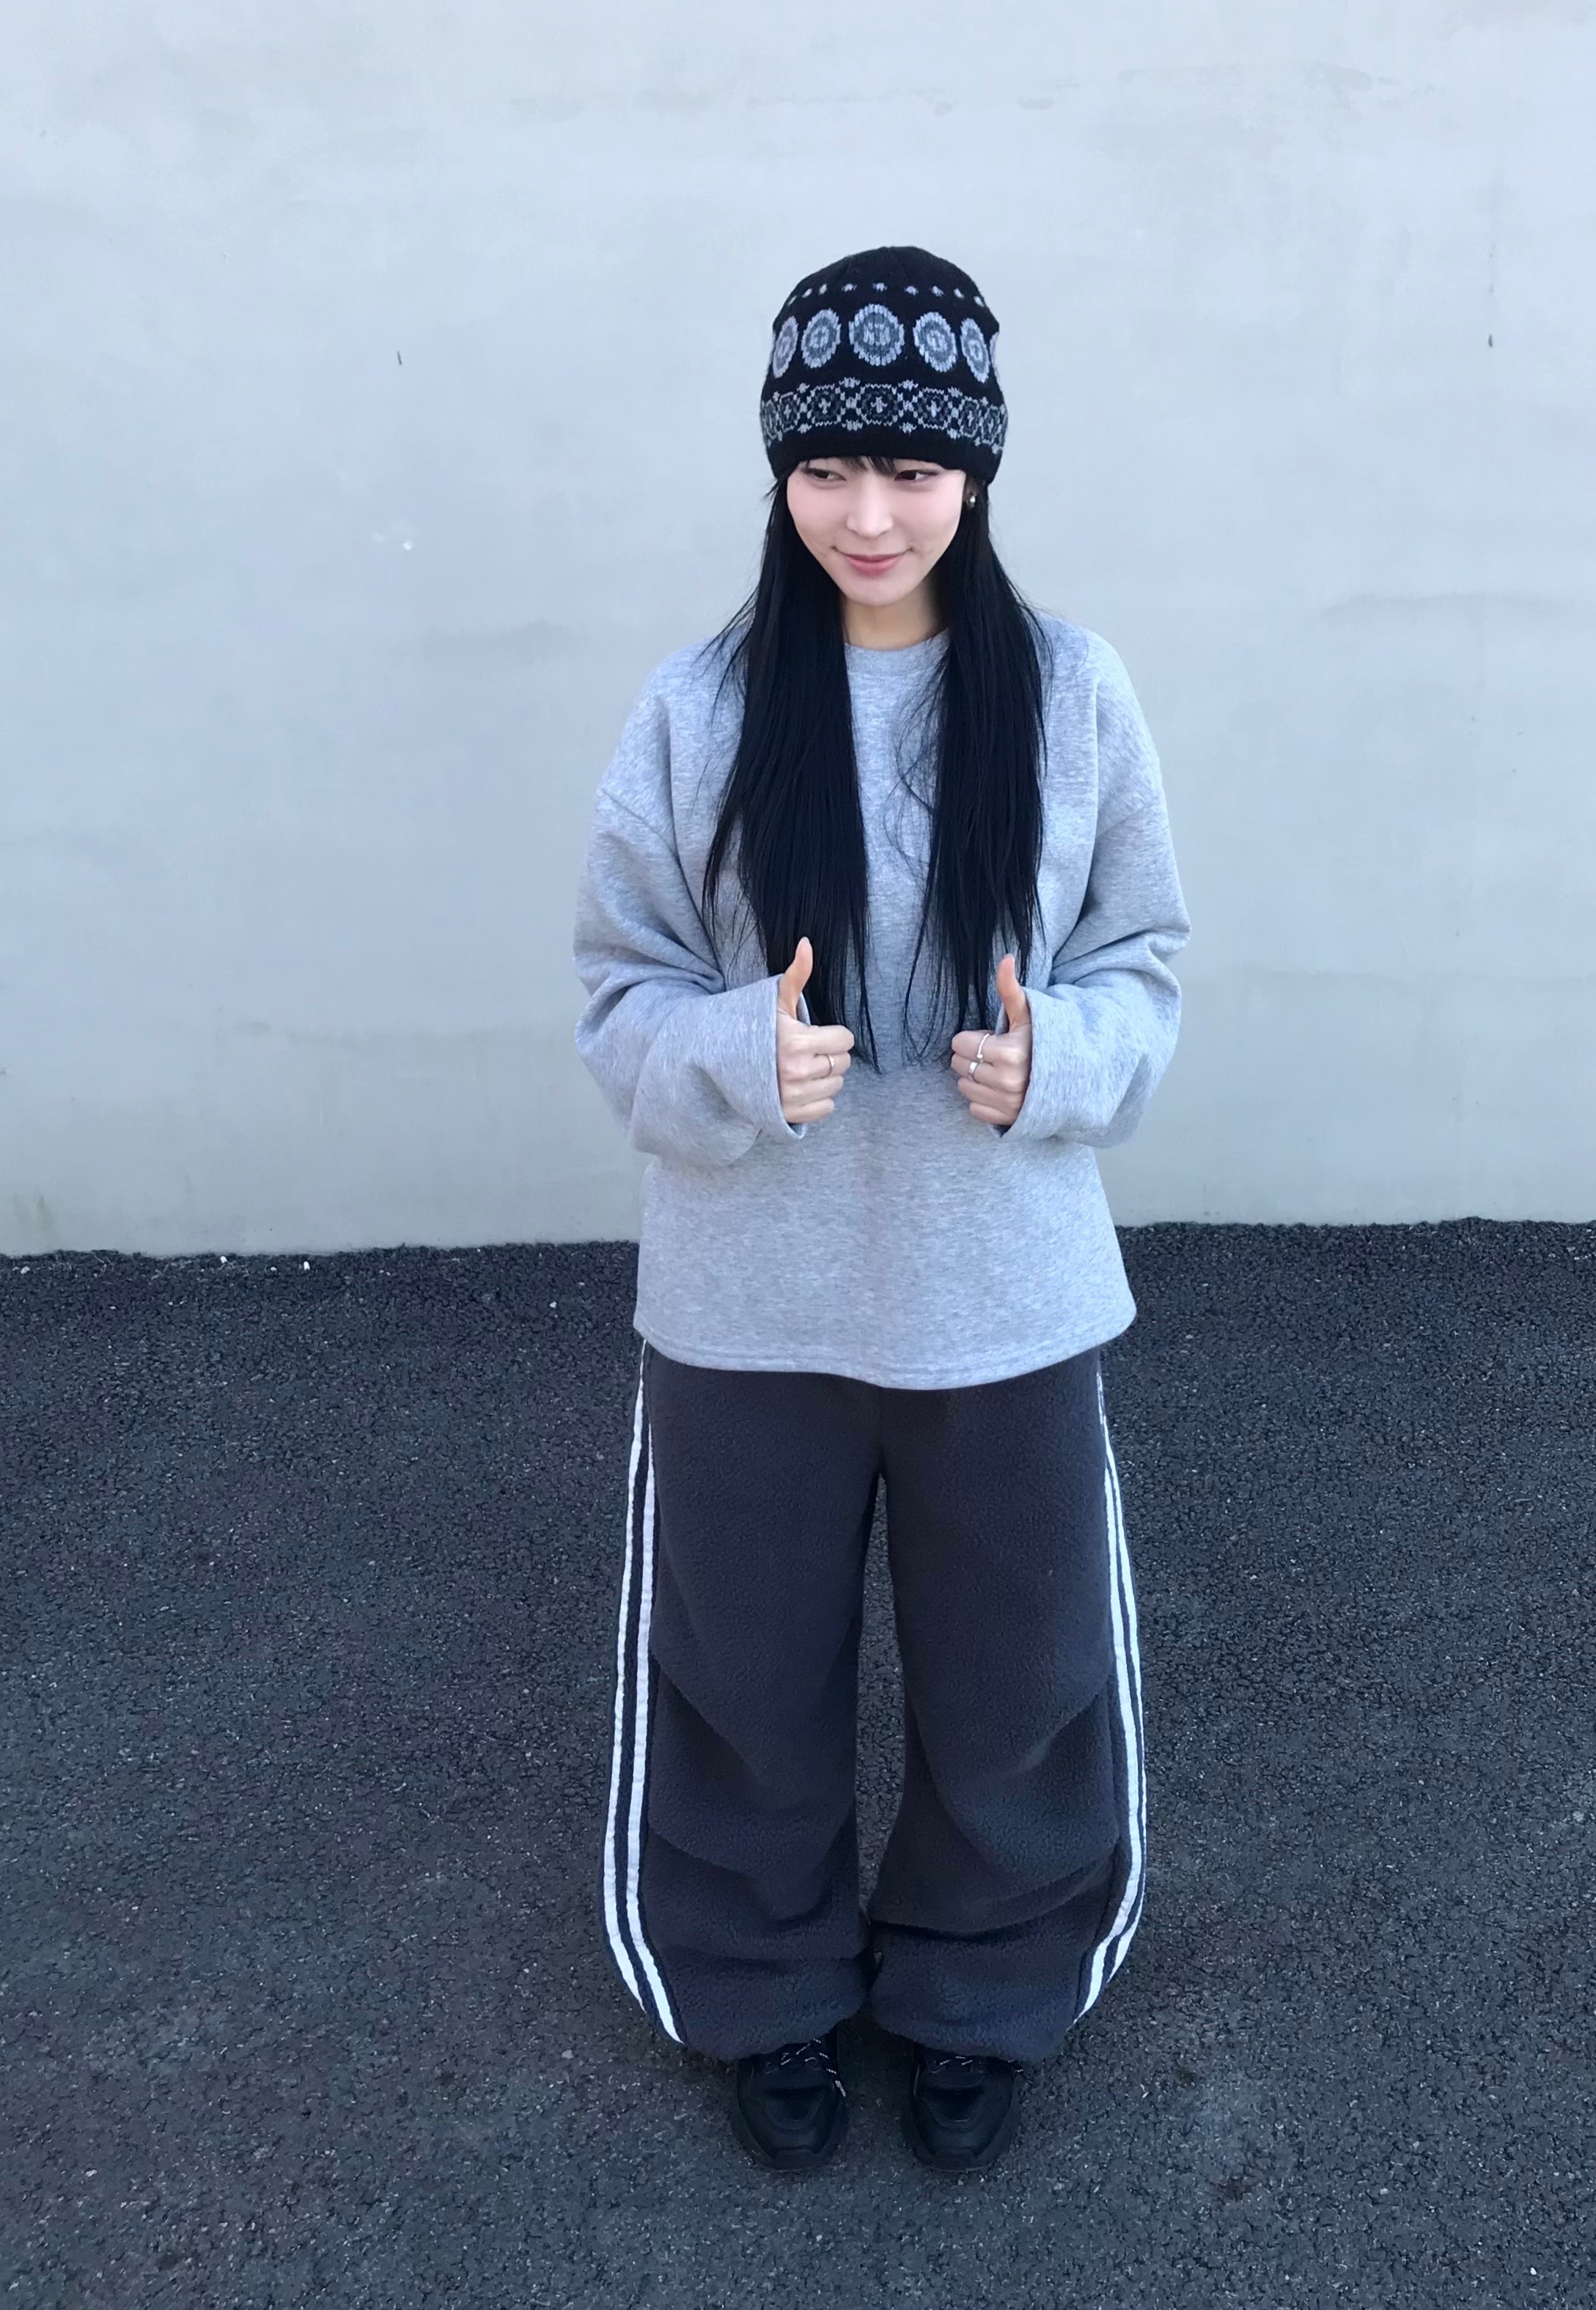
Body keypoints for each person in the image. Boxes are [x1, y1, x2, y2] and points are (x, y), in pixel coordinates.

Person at [571, 244, 1191, 2175]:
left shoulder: (1071, 694)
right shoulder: (697, 710)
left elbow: (1144, 962)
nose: (867, 513)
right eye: (825, 465)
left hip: (1005, 1293)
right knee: (739, 1681)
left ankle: (983, 1987)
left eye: (911, 468)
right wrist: (732, 1059)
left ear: (976, 471)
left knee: (1021, 1681)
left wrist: (1060, 1060)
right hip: (746, 1300)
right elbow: (616, 990)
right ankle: (758, 1988)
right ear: (779, 467)